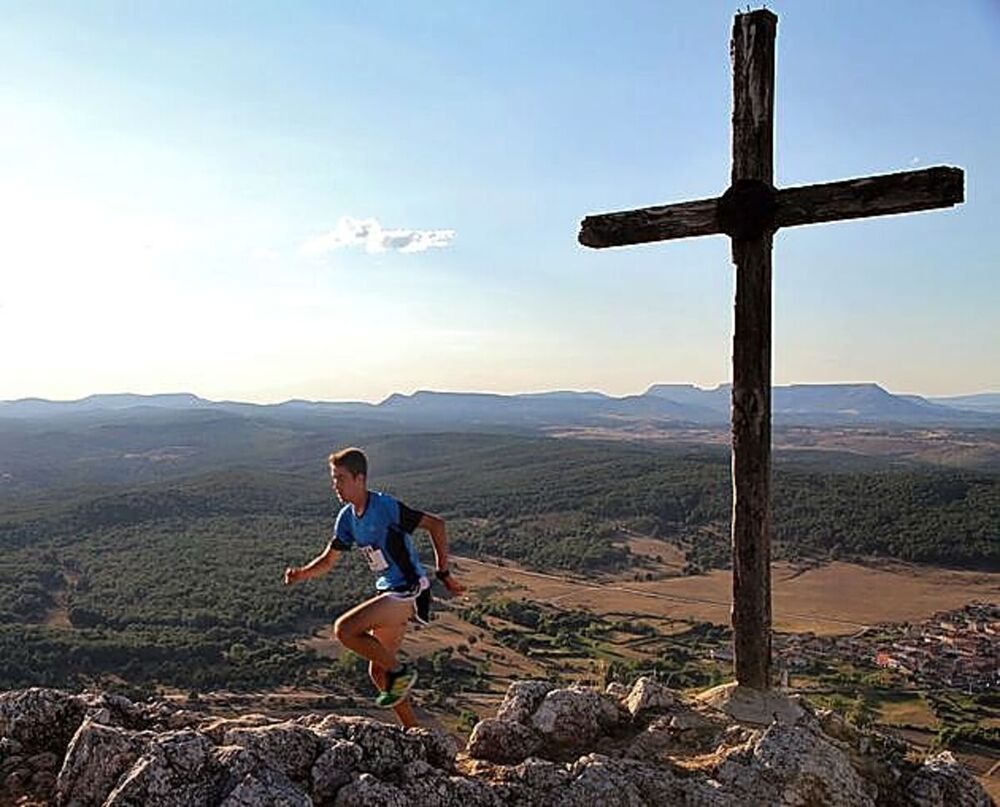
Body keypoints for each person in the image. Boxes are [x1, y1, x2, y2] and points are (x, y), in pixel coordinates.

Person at [283, 446, 464, 727]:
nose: (336, 486)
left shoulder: (385, 507)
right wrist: (301, 574)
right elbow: (329, 560)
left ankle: (400, 671)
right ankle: (415, 734)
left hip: (409, 590)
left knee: (344, 629)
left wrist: (444, 573)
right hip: (389, 592)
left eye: (341, 478)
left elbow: (436, 525)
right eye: (333, 479)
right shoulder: (346, 518)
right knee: (378, 672)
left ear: (360, 479)